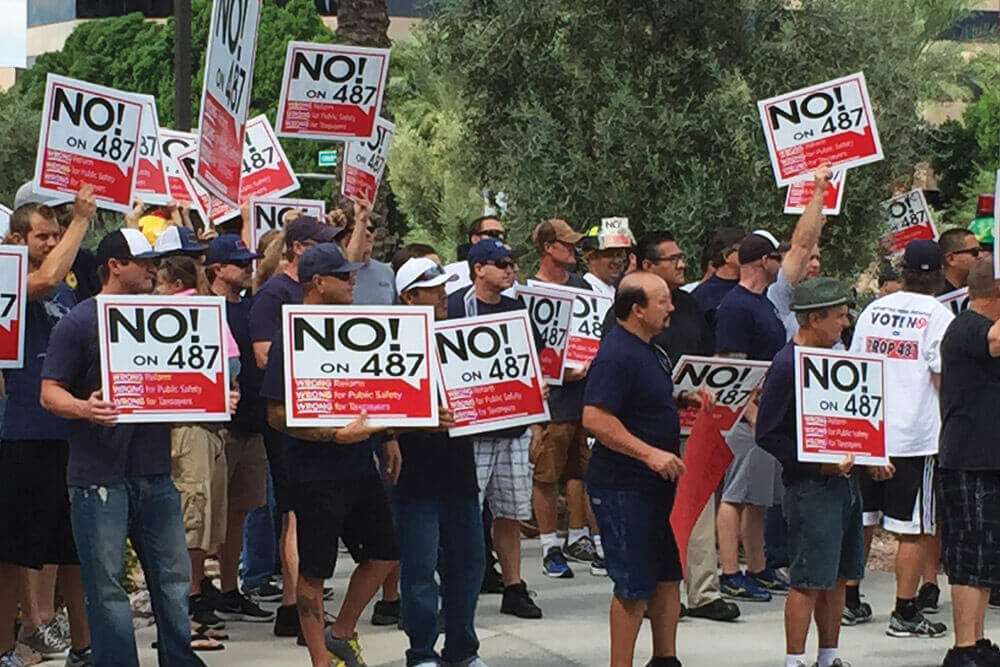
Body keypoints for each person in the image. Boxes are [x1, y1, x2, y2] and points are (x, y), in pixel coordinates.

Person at [39, 228, 204, 666]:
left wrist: (211, 396)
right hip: (98, 479)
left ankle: (179, 659)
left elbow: (181, 384)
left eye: (155, 262)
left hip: (154, 473)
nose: (154, 268)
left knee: (172, 578)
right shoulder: (79, 321)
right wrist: (83, 407)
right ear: (115, 266)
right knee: (106, 586)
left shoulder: (163, 317)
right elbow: (48, 392)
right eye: (144, 261)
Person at [262, 243, 398, 667]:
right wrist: (332, 435)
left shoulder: (357, 325)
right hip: (313, 474)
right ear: (318, 282)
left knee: (385, 554)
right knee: (314, 572)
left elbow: (373, 393)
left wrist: (387, 435)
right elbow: (276, 413)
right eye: (344, 276)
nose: (353, 280)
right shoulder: (292, 333)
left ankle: (340, 633)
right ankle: (321, 661)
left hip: (360, 466)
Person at [756, 277, 895, 667]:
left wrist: (872, 457)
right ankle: (794, 660)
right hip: (811, 487)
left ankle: (828, 656)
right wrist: (817, 463)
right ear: (813, 318)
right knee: (808, 579)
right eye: (838, 315)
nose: (845, 323)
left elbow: (852, 420)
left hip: (847, 485)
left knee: (839, 575)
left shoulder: (837, 358)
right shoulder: (787, 365)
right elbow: (767, 434)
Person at [603, 231, 740, 622]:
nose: (682, 264)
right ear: (647, 267)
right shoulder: (621, 325)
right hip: (646, 443)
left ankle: (703, 592)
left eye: (682, 257)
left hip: (691, 424)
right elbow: (607, 398)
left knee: (698, 506)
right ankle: (655, 595)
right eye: (672, 259)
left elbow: (707, 355)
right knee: (655, 522)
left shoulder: (690, 305)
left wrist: (693, 392)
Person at [0, 188, 95, 667]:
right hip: (22, 429)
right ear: (16, 239)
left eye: (58, 235)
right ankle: (9, 646)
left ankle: (79, 644)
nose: (53, 243)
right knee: (16, 549)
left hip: (67, 432)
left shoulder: (68, 282)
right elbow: (46, 277)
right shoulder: (13, 276)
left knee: (70, 550)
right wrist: (80, 220)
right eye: (43, 236)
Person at [849, 239, 954, 638]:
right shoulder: (936, 314)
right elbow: (941, 374)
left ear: (904, 271)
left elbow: (856, 364)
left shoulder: (874, 310)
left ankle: (850, 600)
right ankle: (905, 610)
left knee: (862, 520)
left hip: (870, 430)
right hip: (916, 435)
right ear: (939, 274)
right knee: (913, 527)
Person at [583, 271, 688, 667]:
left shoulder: (650, 350)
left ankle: (665, 658)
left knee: (666, 575)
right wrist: (649, 454)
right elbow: (595, 417)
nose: (671, 308)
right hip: (623, 487)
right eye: (662, 301)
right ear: (636, 308)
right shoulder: (616, 353)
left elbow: (644, 400)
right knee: (632, 585)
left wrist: (684, 396)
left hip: (655, 488)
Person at [393, 256, 488, 667]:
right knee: (419, 570)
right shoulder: (390, 340)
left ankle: (462, 649)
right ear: (408, 296)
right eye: (433, 289)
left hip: (458, 469)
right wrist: (419, 424)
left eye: (444, 287)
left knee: (468, 564)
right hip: (412, 475)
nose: (443, 295)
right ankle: (421, 652)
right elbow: (379, 404)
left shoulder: (457, 336)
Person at [248, 216, 338, 637]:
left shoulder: (330, 299)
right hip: (288, 420)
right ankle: (293, 607)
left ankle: (300, 605)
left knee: (308, 513)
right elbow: (265, 356)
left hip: (323, 416)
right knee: (295, 514)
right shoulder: (273, 295)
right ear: (300, 248)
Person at [446, 239, 543, 619]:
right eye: (501, 264)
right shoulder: (454, 306)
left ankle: (514, 585)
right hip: (472, 429)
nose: (510, 270)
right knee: (467, 510)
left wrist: (536, 418)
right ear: (478, 268)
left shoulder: (516, 308)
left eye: (512, 264)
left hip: (513, 426)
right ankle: (463, 582)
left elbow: (529, 365)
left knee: (511, 509)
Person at [202, 236, 276, 625]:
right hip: (217, 428)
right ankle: (198, 594)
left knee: (240, 513)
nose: (248, 268)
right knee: (207, 515)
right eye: (238, 263)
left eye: (249, 262)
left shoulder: (251, 308)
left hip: (252, 425)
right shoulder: (203, 309)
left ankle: (230, 589)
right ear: (216, 269)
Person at [714, 230, 788, 601]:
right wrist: (751, 414)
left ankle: (758, 567)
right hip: (748, 417)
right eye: (777, 258)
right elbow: (731, 366)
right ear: (763, 261)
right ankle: (729, 571)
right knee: (735, 494)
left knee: (758, 496)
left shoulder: (765, 303)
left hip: (769, 416)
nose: (781, 265)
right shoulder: (735, 306)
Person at [529, 218, 604, 578]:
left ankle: (580, 537)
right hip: (553, 400)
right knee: (546, 474)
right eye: (567, 243)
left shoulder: (584, 286)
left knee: (584, 469)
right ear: (548, 247)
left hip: (587, 398)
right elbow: (528, 351)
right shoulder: (528, 293)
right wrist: (558, 374)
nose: (574, 249)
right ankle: (549, 546)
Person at [937, 258, 1000, 667]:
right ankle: (962, 647)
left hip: (986, 458)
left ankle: (977, 640)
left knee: (986, 554)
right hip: (968, 459)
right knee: (968, 552)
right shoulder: (967, 330)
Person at [339, 201, 395, 305]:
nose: (368, 234)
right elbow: (351, 264)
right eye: (359, 229)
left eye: (370, 229)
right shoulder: (334, 273)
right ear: (344, 236)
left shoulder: (387, 272)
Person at [691, 227, 745, 332]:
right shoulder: (701, 295)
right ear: (727, 256)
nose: (748, 254)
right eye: (742, 250)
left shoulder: (752, 286)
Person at [443, 216, 507, 294]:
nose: (500, 239)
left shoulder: (508, 274)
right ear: (475, 239)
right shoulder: (450, 273)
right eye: (493, 234)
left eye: (503, 235)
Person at [581, 227, 630, 296]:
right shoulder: (583, 291)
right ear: (591, 257)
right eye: (609, 255)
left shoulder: (614, 291)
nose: (616, 261)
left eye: (619, 255)